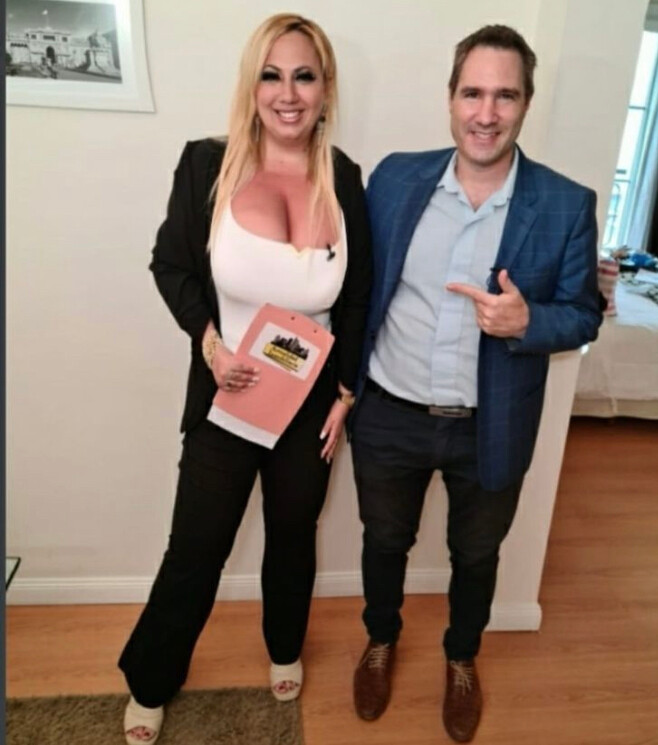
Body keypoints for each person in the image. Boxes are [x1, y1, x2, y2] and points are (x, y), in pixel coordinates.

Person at [118, 13, 371, 744]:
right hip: (228, 397)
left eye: (304, 76)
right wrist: (209, 344)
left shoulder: (345, 177)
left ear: (326, 89)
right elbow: (170, 264)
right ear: (251, 85)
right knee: (197, 547)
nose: (288, 94)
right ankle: (151, 680)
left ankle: (284, 646)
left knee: (293, 536)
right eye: (272, 75)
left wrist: (346, 393)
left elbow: (358, 296)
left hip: (310, 405)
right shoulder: (207, 164)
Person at [350, 24, 601, 743]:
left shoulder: (565, 203)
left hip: (492, 423)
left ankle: (461, 655)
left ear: (526, 103)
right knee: (384, 539)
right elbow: (357, 282)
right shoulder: (394, 178)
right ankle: (380, 638)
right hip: (389, 413)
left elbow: (584, 313)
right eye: (473, 93)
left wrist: (529, 321)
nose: (486, 113)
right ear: (451, 97)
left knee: (477, 554)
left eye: (505, 96)